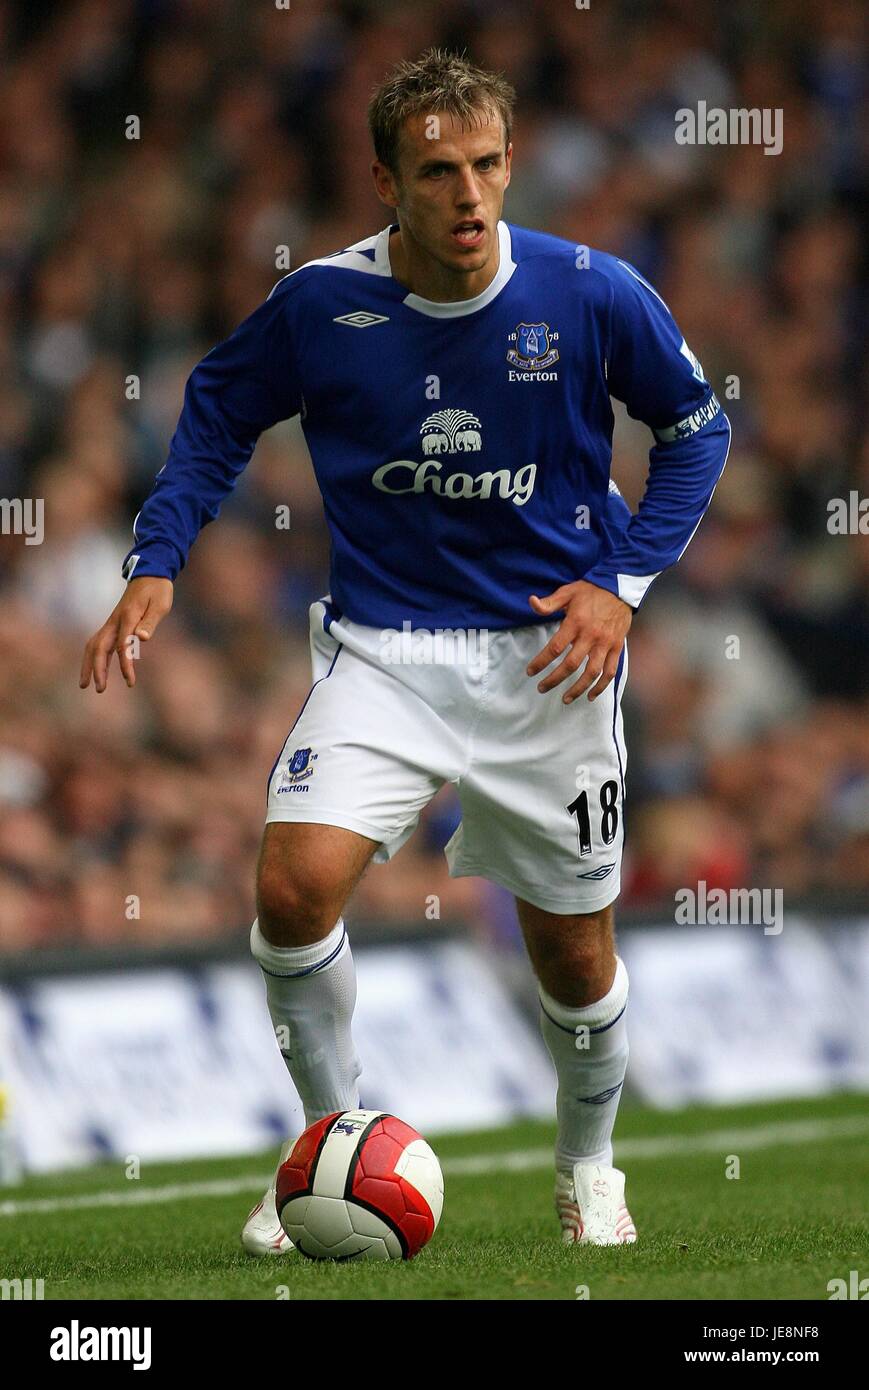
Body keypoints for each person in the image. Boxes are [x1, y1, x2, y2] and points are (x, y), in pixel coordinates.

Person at [80, 48, 730, 1252]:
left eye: (485, 165)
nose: (469, 195)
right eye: (437, 172)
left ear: (508, 162)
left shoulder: (590, 292)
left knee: (573, 956)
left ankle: (586, 1163)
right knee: (288, 892)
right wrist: (157, 559)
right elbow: (217, 408)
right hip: (385, 653)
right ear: (385, 179)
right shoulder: (322, 305)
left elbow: (696, 429)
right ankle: (331, 1139)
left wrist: (621, 584)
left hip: (552, 664)